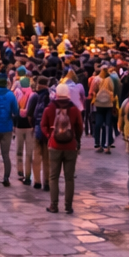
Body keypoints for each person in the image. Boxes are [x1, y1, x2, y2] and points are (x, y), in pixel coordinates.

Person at [40, 82, 83, 214]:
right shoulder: (75, 109)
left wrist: (49, 135)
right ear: (68, 94)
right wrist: (76, 139)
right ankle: (68, 206)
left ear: (57, 94)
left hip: (54, 145)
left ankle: (54, 205)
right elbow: (80, 127)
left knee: (53, 177)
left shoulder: (50, 108)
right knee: (69, 178)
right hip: (70, 146)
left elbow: (43, 125)